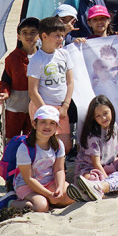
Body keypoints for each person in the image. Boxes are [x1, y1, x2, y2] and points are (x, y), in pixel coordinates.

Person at [0, 106, 74, 212]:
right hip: (27, 185)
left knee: (69, 196)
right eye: (43, 122)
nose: (47, 126)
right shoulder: (25, 148)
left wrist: (59, 188)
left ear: (56, 126)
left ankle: (48, 198)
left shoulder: (58, 144)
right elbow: (29, 178)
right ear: (34, 124)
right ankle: (10, 202)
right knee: (41, 206)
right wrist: (48, 194)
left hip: (49, 181)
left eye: (52, 123)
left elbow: (59, 170)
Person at [27, 17, 75, 153]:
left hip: (61, 107)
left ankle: (60, 168)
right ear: (44, 36)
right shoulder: (37, 59)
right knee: (45, 143)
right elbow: (33, 91)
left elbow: (70, 82)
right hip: (43, 105)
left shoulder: (64, 54)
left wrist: (65, 105)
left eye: (62, 35)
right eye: (57, 36)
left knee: (65, 145)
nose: (60, 39)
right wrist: (46, 111)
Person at [0, 17, 39, 141]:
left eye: (33, 32)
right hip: (15, 105)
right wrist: (4, 92)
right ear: (18, 37)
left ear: (40, 35)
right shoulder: (12, 58)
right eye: (24, 32)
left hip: (36, 104)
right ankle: (10, 159)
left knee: (32, 136)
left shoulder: (43, 56)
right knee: (11, 137)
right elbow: (5, 80)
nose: (29, 36)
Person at [75, 95, 118, 180]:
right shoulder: (93, 136)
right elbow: (96, 164)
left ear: (111, 110)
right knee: (91, 178)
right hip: (91, 168)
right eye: (98, 116)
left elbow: (116, 147)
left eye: (105, 113)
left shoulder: (114, 126)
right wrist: (109, 183)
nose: (103, 118)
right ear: (93, 118)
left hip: (108, 164)